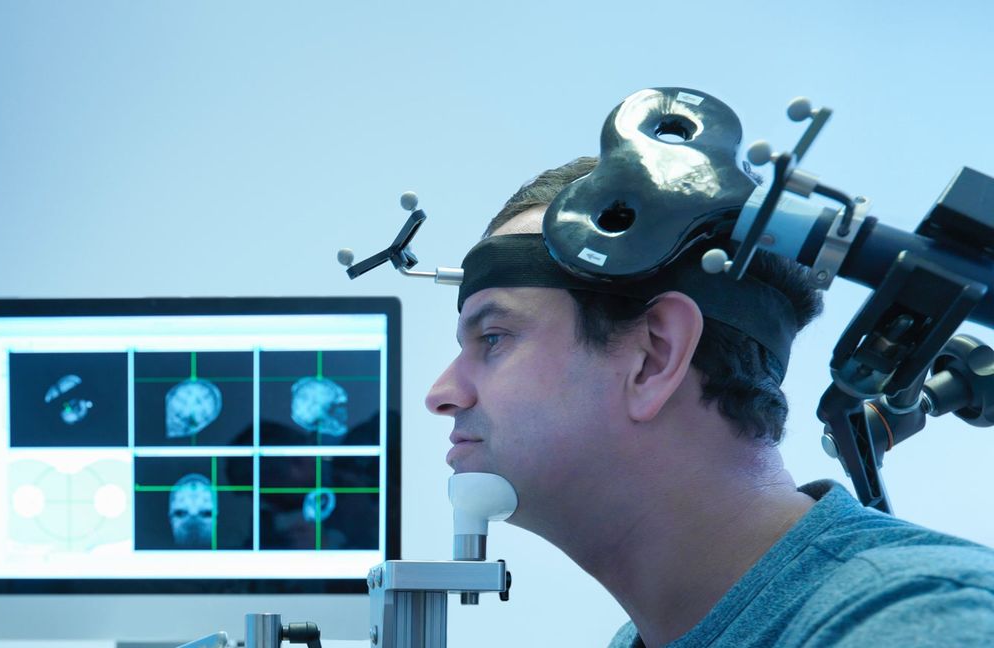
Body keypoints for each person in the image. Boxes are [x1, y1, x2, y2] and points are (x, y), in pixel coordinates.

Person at [426, 156, 994, 647]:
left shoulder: (917, 626)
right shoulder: (646, 638)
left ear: (654, 356)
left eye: (493, 339)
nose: (441, 395)